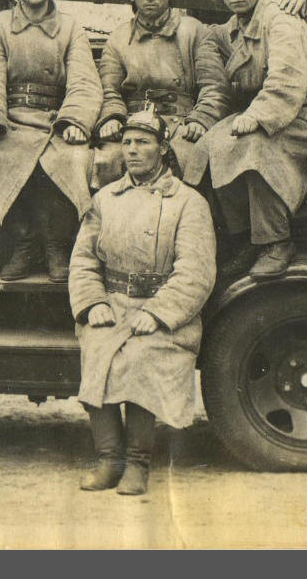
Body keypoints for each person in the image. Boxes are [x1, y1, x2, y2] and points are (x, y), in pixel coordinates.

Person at [68, 110, 216, 497]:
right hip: (113, 304)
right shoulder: (105, 198)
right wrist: (93, 304)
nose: (132, 150)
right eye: (127, 142)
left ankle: (137, 462)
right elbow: (83, 261)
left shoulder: (188, 202)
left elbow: (196, 271)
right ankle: (109, 460)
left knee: (140, 358)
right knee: (98, 350)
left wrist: (159, 313)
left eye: (143, 142)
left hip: (165, 311)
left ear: (163, 149)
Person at [195, 0, 307, 278]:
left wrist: (256, 116)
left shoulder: (281, 21)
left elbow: (288, 79)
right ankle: (246, 238)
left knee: (255, 150)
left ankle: (276, 241)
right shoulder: (233, 28)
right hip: (268, 110)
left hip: (304, 111)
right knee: (208, 146)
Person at [0, 0, 102, 283]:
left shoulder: (70, 28)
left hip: (55, 119)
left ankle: (57, 245)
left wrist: (75, 121)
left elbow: (84, 81)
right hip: (12, 120)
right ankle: (24, 243)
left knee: (73, 159)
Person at [92, 0, 221, 188]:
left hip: (180, 122)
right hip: (133, 123)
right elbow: (109, 90)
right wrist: (112, 118)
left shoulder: (194, 31)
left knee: (191, 161)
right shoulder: (118, 38)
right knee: (107, 160)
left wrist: (201, 119)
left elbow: (214, 86)